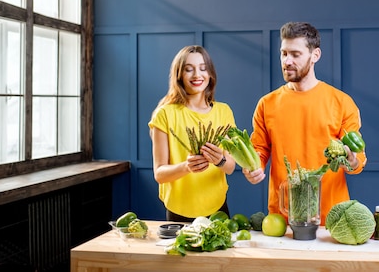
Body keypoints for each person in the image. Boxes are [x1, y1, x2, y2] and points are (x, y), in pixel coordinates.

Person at [243, 22, 367, 224]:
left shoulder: (342, 102)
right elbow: (259, 149)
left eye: (295, 54)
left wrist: (351, 160)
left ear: (315, 55)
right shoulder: (267, 104)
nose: (287, 61)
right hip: (282, 218)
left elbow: (358, 161)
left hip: (333, 219)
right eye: (284, 54)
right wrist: (252, 168)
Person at [149, 45, 237, 222]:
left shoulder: (224, 111)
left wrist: (220, 160)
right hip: (179, 209)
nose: (197, 75)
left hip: (217, 206)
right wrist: (186, 167)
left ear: (210, 74)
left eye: (203, 68)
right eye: (189, 70)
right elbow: (159, 174)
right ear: (179, 75)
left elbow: (231, 167)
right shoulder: (164, 114)